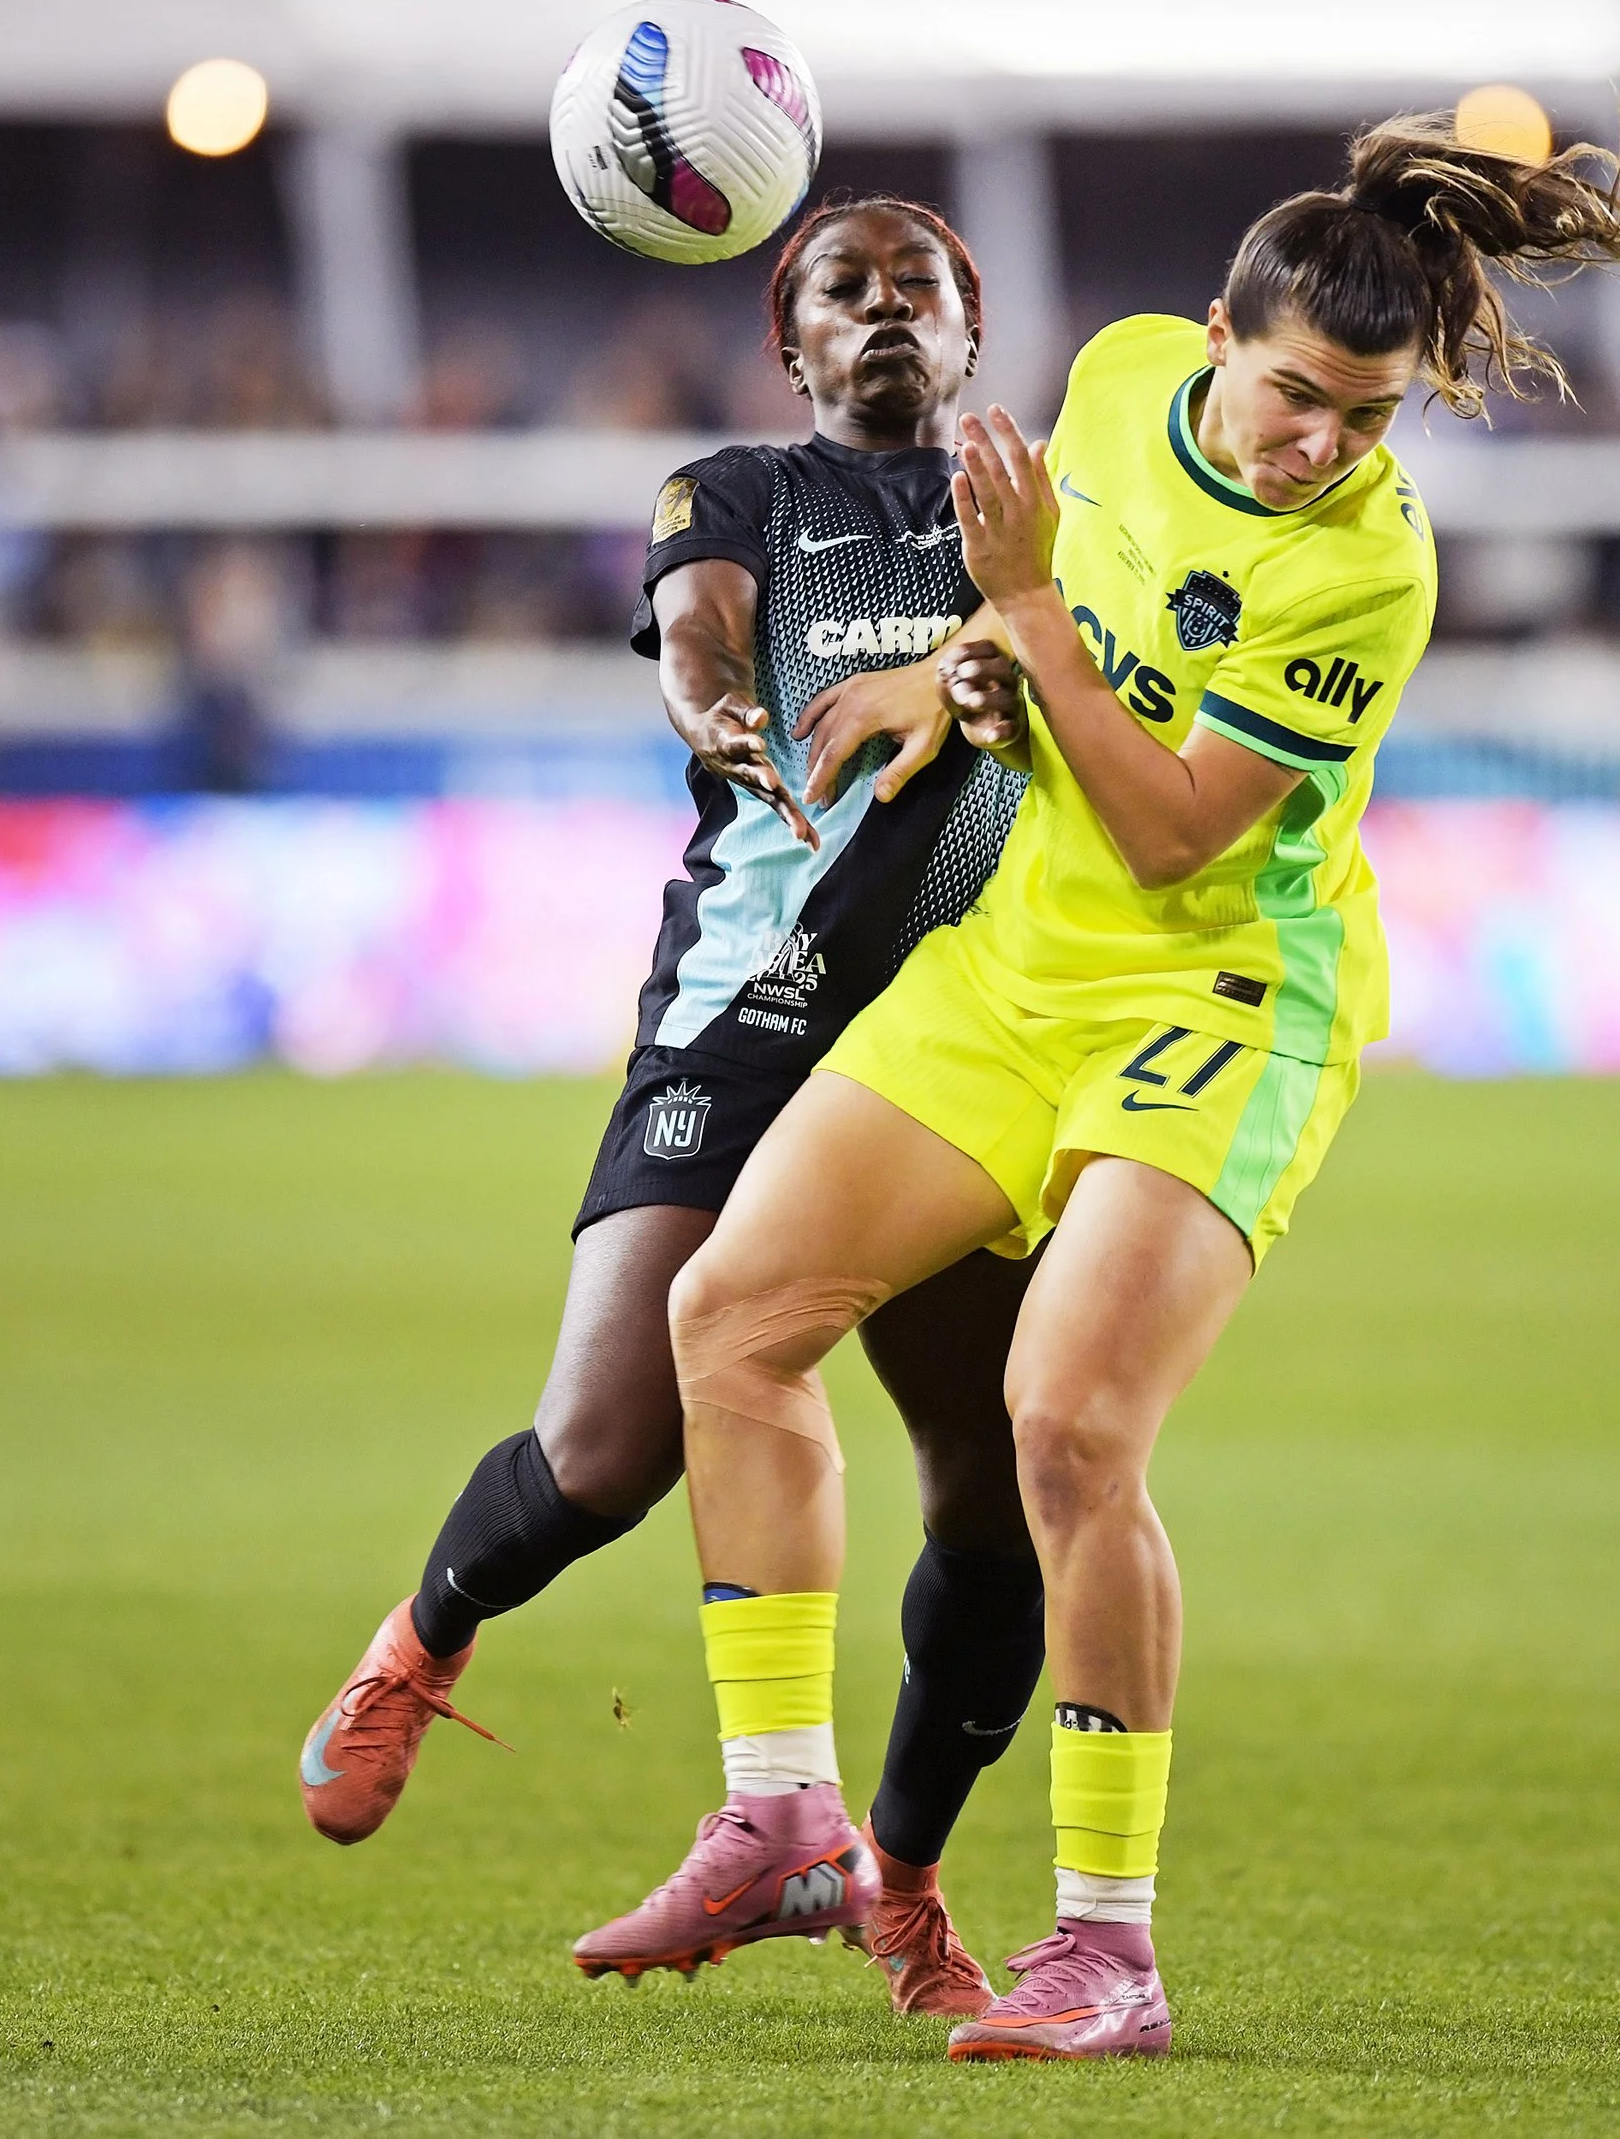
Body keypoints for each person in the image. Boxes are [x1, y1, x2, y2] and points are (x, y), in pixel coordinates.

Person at [571, 118, 1620, 2054]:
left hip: (1228, 1003)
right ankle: (780, 1813)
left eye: (1373, 415)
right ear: (1209, 342)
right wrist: (949, 673)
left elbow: (1180, 830)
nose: (1322, 446)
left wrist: (1002, 615)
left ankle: (1110, 1949)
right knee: (730, 1315)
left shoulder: (1366, 573)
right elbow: (1054, 633)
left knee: (1067, 1428)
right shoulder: (1106, 390)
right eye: (1294, 397)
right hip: (1017, 967)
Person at [299, 196, 1051, 2019]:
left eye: (918, 291)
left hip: (960, 1039)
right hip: (748, 1016)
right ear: (790, 346)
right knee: (611, 1445)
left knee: (1002, 1495)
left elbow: (1065, 686)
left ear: (973, 329)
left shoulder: (1040, 519)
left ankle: (902, 1879)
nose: (883, 315)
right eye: (842, 294)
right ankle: (424, 1638)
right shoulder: (735, 493)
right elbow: (701, 637)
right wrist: (714, 709)